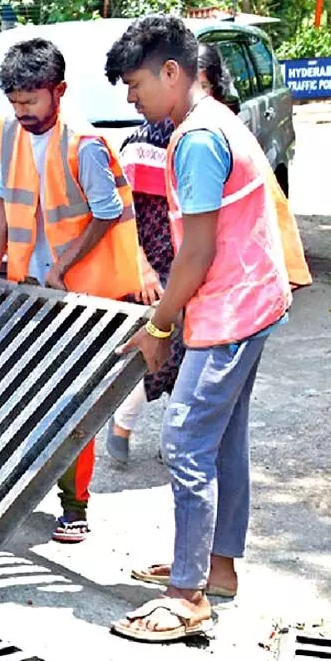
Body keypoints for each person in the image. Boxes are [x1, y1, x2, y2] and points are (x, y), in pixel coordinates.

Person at [105, 15, 307, 642]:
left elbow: (193, 253)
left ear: (172, 72)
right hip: (250, 302)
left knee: (188, 439)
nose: (131, 99)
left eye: (136, 85)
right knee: (222, 441)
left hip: (231, 310)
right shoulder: (216, 120)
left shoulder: (195, 139)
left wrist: (160, 329)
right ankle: (215, 569)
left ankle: (188, 596)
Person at [0, 38, 143, 544]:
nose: (22, 111)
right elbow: (4, 204)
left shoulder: (85, 144)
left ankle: (75, 506)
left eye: (31, 101)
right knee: (30, 393)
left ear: (59, 91)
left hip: (85, 296)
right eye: (15, 102)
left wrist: (64, 265)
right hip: (31, 286)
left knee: (74, 401)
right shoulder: (8, 132)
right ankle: (25, 490)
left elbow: (108, 211)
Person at [106, 43, 230, 463]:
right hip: (159, 265)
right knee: (162, 348)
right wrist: (140, 265)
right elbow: (124, 213)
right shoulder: (143, 140)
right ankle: (123, 424)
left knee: (187, 355)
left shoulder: (211, 133)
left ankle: (171, 439)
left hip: (196, 265)